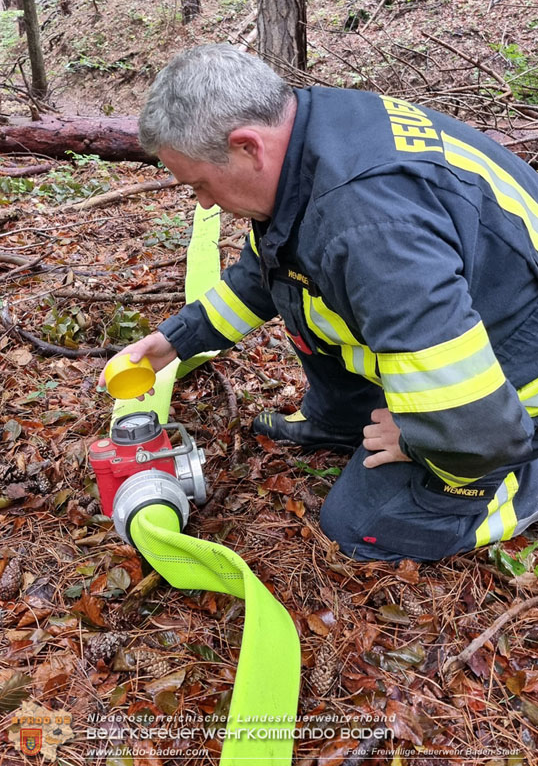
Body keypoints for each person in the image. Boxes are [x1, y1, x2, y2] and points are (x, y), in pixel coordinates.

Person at [98, 43, 538, 562]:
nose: (206, 203)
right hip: (478, 308)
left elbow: (473, 420)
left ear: (246, 147)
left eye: (201, 184)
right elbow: (267, 269)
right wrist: (177, 339)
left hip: (511, 367)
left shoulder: (369, 227)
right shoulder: (307, 129)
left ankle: (524, 476)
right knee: (303, 285)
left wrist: (420, 436)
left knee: (364, 526)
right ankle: (345, 419)